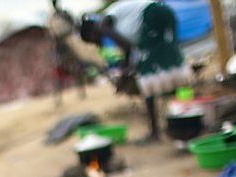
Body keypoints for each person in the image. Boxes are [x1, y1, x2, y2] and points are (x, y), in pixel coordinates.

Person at [81, 3, 192, 143]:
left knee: (148, 75)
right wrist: (126, 66)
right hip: (164, 13)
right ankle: (185, 120)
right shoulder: (116, 20)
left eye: (94, 40)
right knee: (171, 67)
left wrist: (125, 69)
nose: (98, 41)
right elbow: (130, 49)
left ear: (92, 33)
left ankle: (159, 131)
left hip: (153, 16)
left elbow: (127, 47)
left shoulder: (102, 25)